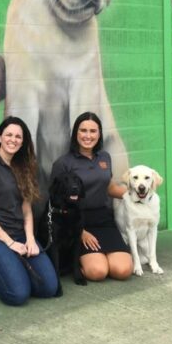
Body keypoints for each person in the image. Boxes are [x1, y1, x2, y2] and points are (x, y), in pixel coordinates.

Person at [0, 116, 59, 305]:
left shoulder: (23, 166)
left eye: (18, 136)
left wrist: (30, 239)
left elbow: (26, 208)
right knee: (17, 295)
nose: (13, 139)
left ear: (23, 141)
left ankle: (10, 264)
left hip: (18, 233)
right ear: (0, 137)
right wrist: (10, 243)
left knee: (49, 288)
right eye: (9, 134)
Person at [49, 112, 133, 282]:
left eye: (93, 131)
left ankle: (102, 257)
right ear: (76, 134)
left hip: (104, 219)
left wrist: (136, 195)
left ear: (99, 134)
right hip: (78, 221)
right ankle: (75, 264)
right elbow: (55, 199)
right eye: (83, 130)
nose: (88, 136)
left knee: (122, 270)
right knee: (97, 272)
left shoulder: (104, 158)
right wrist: (80, 231)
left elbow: (108, 187)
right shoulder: (63, 163)